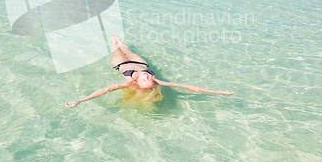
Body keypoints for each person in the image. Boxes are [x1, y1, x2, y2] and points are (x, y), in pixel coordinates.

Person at [65, 36, 235, 107]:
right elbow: (187, 86)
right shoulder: (155, 80)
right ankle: (121, 41)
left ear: (137, 83)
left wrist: (81, 100)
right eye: (149, 78)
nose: (147, 76)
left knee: (115, 50)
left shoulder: (128, 81)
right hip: (140, 62)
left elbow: (105, 90)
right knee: (127, 48)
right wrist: (217, 92)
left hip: (121, 65)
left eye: (145, 78)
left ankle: (113, 41)